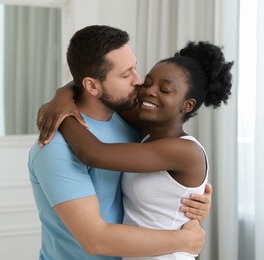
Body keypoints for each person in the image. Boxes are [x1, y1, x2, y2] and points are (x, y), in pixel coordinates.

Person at [29, 25, 210, 260]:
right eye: (126, 74)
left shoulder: (131, 121)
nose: (139, 81)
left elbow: (168, 181)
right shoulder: (54, 147)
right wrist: (184, 240)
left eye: (135, 67)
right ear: (92, 85)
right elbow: (96, 241)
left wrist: (189, 200)